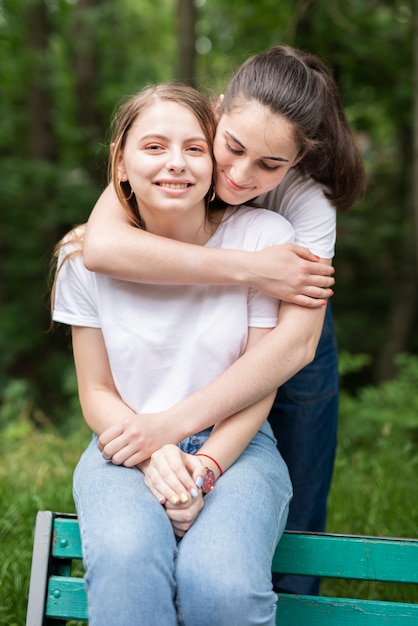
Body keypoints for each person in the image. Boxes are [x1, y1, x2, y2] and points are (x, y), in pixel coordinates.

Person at [82, 45, 366, 595]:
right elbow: (101, 248)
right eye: (231, 148)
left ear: (299, 160)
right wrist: (253, 270)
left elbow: (295, 347)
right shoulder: (182, 144)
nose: (237, 175)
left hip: (287, 334)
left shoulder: (308, 202)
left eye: (269, 165)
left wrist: (178, 432)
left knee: (298, 486)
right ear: (218, 112)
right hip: (218, 310)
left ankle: (287, 600)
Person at [52, 83, 296, 625]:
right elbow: (96, 391)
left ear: (212, 162)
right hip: (124, 443)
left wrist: (203, 471)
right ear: (121, 162)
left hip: (238, 445)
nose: (176, 164)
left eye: (193, 148)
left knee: (222, 584)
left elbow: (260, 381)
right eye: (154, 146)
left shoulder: (263, 238)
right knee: (126, 562)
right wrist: (151, 449)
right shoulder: (81, 258)